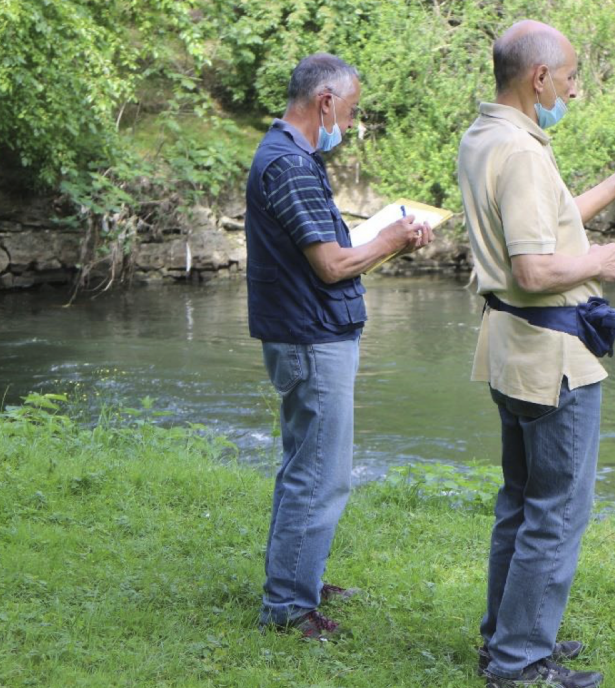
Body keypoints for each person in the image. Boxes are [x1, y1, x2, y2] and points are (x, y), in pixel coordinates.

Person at [457, 20, 615, 688]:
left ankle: (507, 640)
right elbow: (534, 269)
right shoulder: (520, 151)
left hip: (511, 351)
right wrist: (600, 258)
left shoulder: (486, 136)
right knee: (556, 511)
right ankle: (520, 665)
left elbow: (542, 224)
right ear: (539, 76)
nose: (575, 90)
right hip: (550, 358)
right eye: (572, 77)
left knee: (521, 503)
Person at [245, 53, 433, 640]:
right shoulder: (291, 166)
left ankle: (298, 576)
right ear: (325, 102)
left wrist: (387, 243)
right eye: (349, 115)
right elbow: (331, 266)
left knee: (305, 464)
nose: (347, 127)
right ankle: (289, 606)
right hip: (311, 339)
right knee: (319, 474)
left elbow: (331, 250)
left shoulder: (288, 158)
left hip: (307, 334)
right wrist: (392, 239)